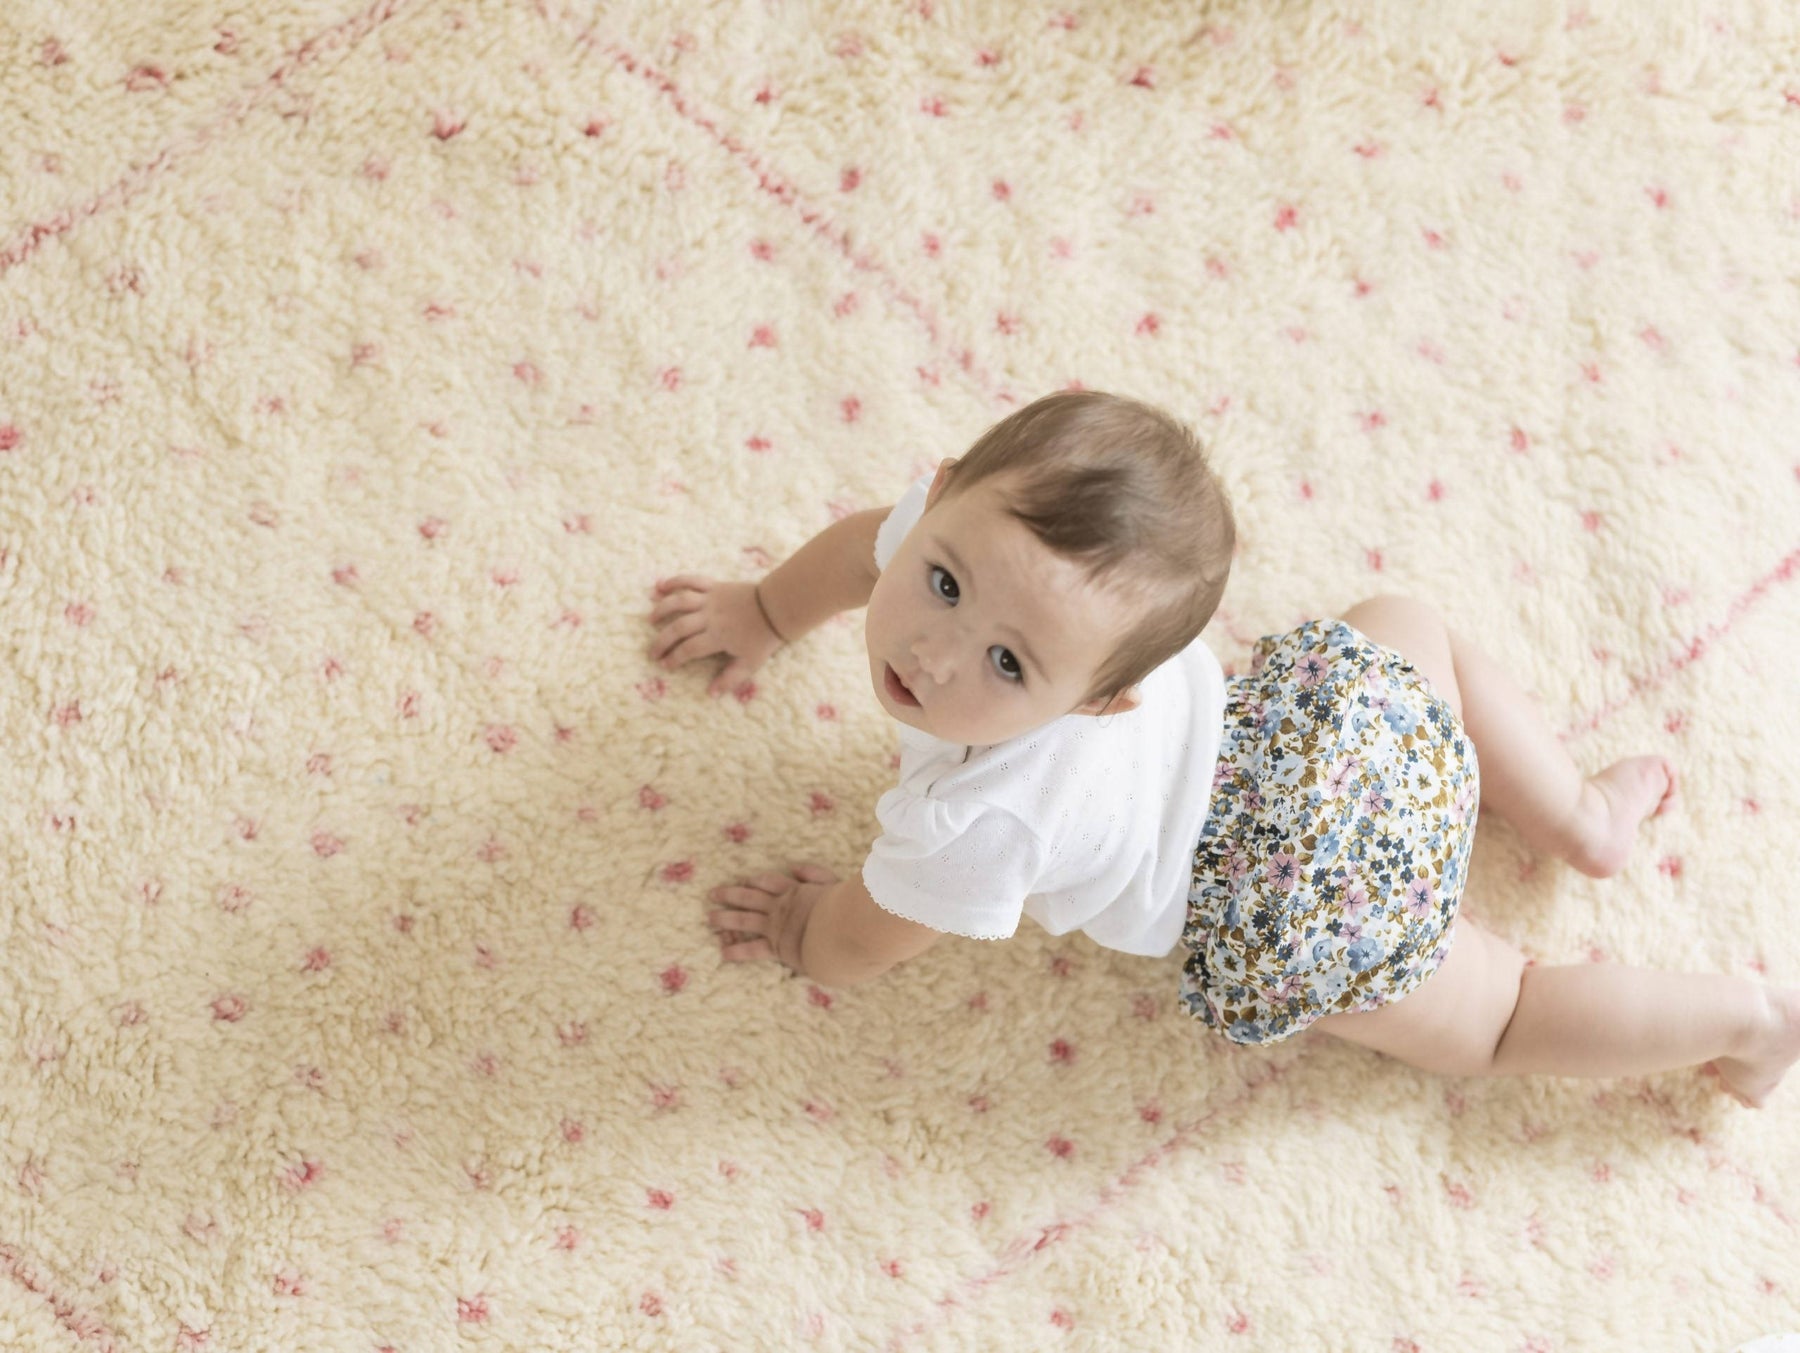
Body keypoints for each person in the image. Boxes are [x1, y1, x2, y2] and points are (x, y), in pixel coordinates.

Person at [646, 390, 1800, 1107]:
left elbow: (864, 939)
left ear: (1104, 703)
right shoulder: (959, 541)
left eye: (1009, 664)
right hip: (1337, 729)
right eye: (942, 583)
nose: (933, 656)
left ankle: (1754, 1021)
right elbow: (869, 552)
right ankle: (1578, 818)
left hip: (1293, 900)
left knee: (1503, 1017)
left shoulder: (975, 821)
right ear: (938, 494)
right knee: (1408, 624)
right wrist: (765, 608)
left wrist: (806, 931)